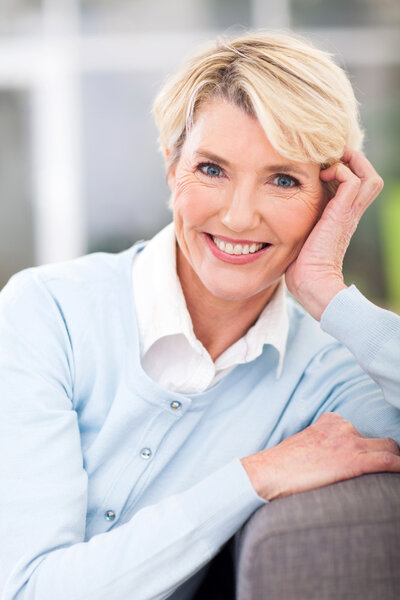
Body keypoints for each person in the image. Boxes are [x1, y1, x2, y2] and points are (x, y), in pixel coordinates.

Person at [0, 29, 399, 600]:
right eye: (212, 169)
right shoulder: (47, 313)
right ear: (171, 166)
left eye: (283, 180)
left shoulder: (329, 372)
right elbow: (31, 590)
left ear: (330, 198)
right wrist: (255, 476)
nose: (238, 218)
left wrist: (328, 294)